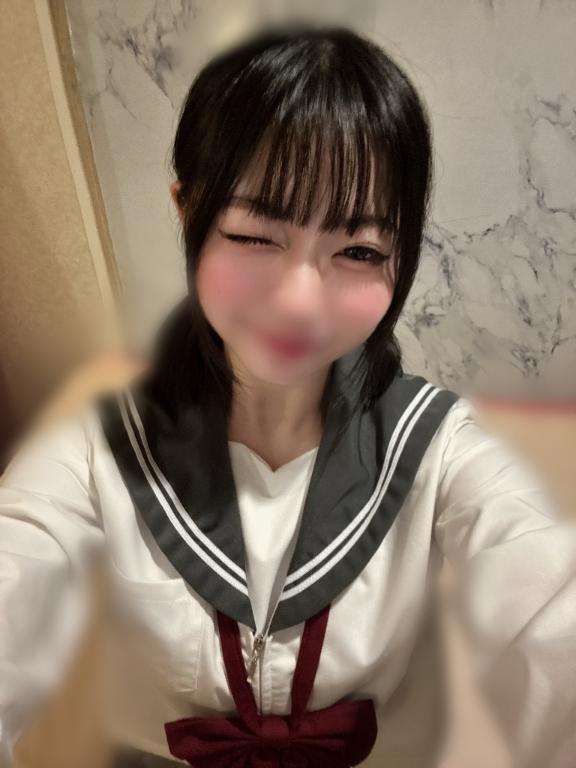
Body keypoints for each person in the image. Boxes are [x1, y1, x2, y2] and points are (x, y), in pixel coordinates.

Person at [1, 22, 575, 768]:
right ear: (187, 211)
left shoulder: (438, 449)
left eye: (358, 250)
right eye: (255, 236)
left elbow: (547, 606)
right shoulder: (96, 448)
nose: (301, 303)